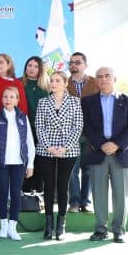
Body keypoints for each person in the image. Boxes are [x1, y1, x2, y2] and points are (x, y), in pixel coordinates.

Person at [83, 67, 128, 243]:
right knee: (98, 194)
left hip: (121, 153)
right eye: (99, 76)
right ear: (96, 80)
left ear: (114, 78)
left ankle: (118, 230)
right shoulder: (87, 102)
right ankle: (101, 229)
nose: (103, 79)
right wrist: (101, 144)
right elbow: (86, 126)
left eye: (107, 76)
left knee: (121, 194)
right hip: (97, 152)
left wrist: (116, 144)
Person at [35, 71, 83, 240]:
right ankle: (48, 224)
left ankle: (61, 224)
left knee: (63, 185)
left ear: (65, 83)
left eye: (57, 80)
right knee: (48, 186)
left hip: (68, 150)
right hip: (45, 149)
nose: (53, 83)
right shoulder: (43, 102)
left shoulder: (75, 102)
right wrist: (48, 146)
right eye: (52, 80)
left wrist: (65, 147)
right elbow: (39, 126)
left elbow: (78, 127)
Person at [0, 86, 35, 241]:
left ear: (17, 100)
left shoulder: (23, 118)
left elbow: (29, 142)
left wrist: (30, 164)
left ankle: (12, 227)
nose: (8, 100)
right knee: (2, 192)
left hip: (19, 163)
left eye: (11, 97)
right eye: (5, 96)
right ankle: (3, 225)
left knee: (16, 193)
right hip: (1, 162)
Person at [66, 52, 99, 213]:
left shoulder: (95, 82)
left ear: (86, 65)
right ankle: (74, 202)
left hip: (91, 132)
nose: (73, 65)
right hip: (70, 131)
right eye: (71, 62)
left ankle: (86, 202)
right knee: (72, 169)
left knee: (88, 169)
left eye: (78, 62)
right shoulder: (63, 82)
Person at [21, 56, 50, 193]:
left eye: (36, 66)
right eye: (29, 65)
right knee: (24, 160)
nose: (31, 68)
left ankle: (38, 192)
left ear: (41, 69)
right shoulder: (18, 83)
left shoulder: (47, 86)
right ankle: (24, 193)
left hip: (42, 130)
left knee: (40, 161)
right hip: (23, 129)